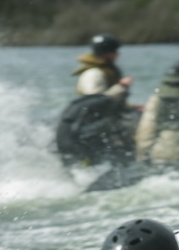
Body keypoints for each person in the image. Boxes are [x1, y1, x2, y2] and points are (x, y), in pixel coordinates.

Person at [59, 33, 139, 166]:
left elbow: (108, 100)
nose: (117, 55)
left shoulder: (105, 70)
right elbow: (95, 101)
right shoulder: (94, 74)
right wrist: (121, 87)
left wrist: (133, 107)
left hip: (102, 122)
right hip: (89, 126)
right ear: (107, 53)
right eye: (114, 52)